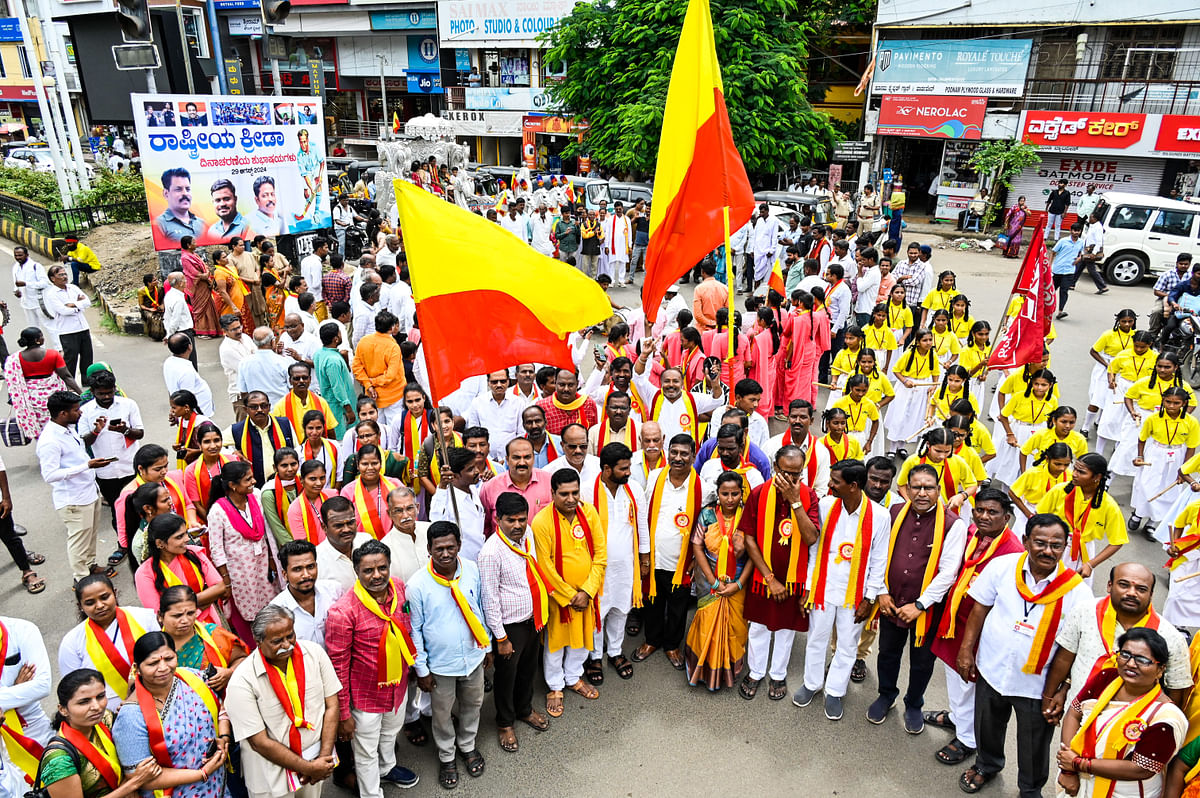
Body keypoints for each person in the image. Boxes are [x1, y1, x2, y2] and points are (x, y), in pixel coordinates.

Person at [954, 514, 1092, 796]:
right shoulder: (1003, 568)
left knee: (1034, 743)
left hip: (1037, 685)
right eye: (1040, 543)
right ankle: (987, 766)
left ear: (1065, 547)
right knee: (987, 726)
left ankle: (1030, 789)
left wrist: (1063, 689)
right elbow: (979, 608)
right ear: (1026, 541)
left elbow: (1078, 647)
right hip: (992, 669)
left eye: (1056, 545)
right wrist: (966, 649)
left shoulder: (1077, 591)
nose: (1048, 551)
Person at [923, 489, 1024, 765]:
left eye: (992, 512)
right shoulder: (971, 534)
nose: (983, 516)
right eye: (979, 510)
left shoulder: (1012, 552)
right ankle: (958, 718)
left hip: (979, 628)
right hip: (955, 617)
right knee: (954, 676)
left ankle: (967, 738)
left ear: (1007, 517)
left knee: (967, 680)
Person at [868, 463, 968, 731]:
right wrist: (882, 592)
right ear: (907, 489)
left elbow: (948, 572)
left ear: (938, 490)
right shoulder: (895, 512)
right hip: (891, 600)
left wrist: (920, 604)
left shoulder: (952, 524)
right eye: (917, 487)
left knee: (922, 660)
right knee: (887, 652)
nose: (923, 493)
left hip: (928, 609)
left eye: (929, 487)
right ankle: (886, 694)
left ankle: (914, 703)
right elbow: (877, 555)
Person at [795, 459, 890, 720]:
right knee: (816, 638)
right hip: (823, 589)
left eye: (836, 481)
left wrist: (869, 598)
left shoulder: (880, 516)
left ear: (853, 485)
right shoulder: (825, 506)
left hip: (855, 594)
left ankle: (835, 690)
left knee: (847, 645)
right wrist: (808, 588)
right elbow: (813, 551)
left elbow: (879, 561)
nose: (829, 484)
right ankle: (812, 684)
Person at [325, 539, 421, 795]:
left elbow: (406, 629)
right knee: (365, 752)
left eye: (382, 568)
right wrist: (343, 714)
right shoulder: (342, 612)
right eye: (368, 570)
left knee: (390, 735)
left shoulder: (398, 589)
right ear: (357, 572)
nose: (377, 575)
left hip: (397, 687)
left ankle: (387, 768)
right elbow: (339, 668)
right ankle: (371, 793)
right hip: (365, 698)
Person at [226, 605, 341, 798]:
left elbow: (332, 705)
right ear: (258, 641)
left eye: (290, 636)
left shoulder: (314, 653)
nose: (287, 645)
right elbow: (259, 742)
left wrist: (323, 759)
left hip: (316, 759)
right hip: (271, 776)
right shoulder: (242, 681)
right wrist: (309, 768)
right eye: (277, 641)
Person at [1056, 628, 1187, 798]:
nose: (1131, 664)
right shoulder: (1106, 678)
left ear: (1160, 669)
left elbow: (1141, 769)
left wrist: (1078, 764)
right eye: (1125, 654)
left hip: (1126, 792)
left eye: (1142, 660)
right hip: (1079, 784)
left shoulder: (1165, 716)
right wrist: (1068, 771)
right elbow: (1074, 713)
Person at [407, 522, 490, 788]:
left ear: (459, 546)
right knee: (442, 714)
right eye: (439, 548)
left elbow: (480, 609)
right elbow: (415, 631)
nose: (445, 553)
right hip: (440, 665)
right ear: (429, 548)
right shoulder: (417, 585)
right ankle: (446, 755)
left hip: (473, 657)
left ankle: (466, 745)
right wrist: (422, 670)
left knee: (473, 705)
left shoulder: (472, 570)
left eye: (450, 547)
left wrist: (486, 647)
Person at [737, 445, 820, 701]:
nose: (791, 479)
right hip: (764, 578)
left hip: (794, 580)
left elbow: (811, 538)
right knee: (759, 628)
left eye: (797, 474)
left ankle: (778, 674)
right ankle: (756, 672)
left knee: (785, 630)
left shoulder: (809, 497)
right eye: (786, 473)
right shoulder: (759, 494)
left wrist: (796, 502)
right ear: (775, 468)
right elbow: (749, 538)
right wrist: (770, 579)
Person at [111, 632, 231, 798]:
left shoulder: (192, 678)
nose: (163, 668)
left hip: (218, 787)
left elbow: (220, 708)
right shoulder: (131, 717)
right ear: (136, 669)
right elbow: (138, 777)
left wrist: (224, 737)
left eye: (169, 659)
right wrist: (201, 773)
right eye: (153, 663)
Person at [478, 492, 552, 752]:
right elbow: (489, 598)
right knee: (506, 676)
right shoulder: (491, 552)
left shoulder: (527, 534)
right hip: (510, 627)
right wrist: (501, 638)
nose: (518, 525)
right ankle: (504, 722)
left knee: (528, 669)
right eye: (511, 520)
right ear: (497, 519)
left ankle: (524, 709)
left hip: (533, 619)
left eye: (522, 519)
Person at [532, 468, 607, 717]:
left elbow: (600, 555)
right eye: (564, 494)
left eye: (575, 492)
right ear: (552, 493)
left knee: (583, 639)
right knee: (556, 643)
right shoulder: (542, 521)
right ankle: (555, 686)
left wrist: (587, 591)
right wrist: (569, 595)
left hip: (587, 594)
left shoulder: (589, 512)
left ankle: (574, 676)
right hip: (558, 598)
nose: (571, 498)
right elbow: (544, 566)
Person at [37, 668, 162, 798]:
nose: (96, 706)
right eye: (84, 702)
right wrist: (134, 783)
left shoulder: (106, 719)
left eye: (100, 696)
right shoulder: (58, 760)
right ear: (63, 709)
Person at [581, 443, 648, 684]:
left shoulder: (634, 490)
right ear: (607, 469)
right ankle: (595, 656)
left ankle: (615, 652)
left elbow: (642, 525)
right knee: (599, 610)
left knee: (621, 609)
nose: (629, 472)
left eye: (629, 467)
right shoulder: (588, 491)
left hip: (625, 566)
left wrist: (644, 558)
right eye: (624, 468)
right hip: (597, 566)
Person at [635, 434, 703, 667]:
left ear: (693, 456)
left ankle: (672, 646)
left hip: (682, 562)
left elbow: (702, 525)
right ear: (668, 451)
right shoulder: (655, 477)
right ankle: (652, 640)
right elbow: (643, 516)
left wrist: (696, 557)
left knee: (678, 607)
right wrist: (643, 555)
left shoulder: (699, 485)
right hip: (654, 558)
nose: (678, 458)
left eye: (684, 453)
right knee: (652, 602)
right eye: (674, 452)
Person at [207, 461, 282, 641]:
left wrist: (272, 557)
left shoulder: (255, 496)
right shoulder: (217, 511)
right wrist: (226, 580)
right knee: (249, 613)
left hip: (262, 563)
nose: (254, 481)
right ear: (232, 485)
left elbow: (266, 531)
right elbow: (216, 549)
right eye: (247, 479)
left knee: (271, 604)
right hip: (239, 571)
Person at [38, 391, 108, 582]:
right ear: (62, 413)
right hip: (74, 500)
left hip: (89, 492)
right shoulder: (49, 441)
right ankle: (82, 578)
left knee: (91, 534)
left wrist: (95, 432)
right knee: (79, 541)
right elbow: (50, 475)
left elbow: (76, 450)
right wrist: (87, 466)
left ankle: (91, 565)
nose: (80, 413)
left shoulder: (67, 428)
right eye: (76, 410)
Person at [134, 514, 227, 623]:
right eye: (179, 537)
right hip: (180, 631)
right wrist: (203, 601)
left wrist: (180, 607)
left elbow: (220, 587)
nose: (187, 539)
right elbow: (159, 614)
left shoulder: (194, 553)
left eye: (186, 534)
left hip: (211, 622)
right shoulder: (144, 573)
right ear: (160, 543)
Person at [156, 586, 246, 692]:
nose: (185, 620)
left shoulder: (213, 634)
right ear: (160, 616)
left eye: (190, 613)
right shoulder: (153, 647)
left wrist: (229, 672)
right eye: (177, 616)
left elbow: (242, 659)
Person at [4, 327, 77, 441]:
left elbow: (13, 382)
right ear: (37, 340)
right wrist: (81, 393)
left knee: (41, 430)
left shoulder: (15, 359)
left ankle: (44, 446)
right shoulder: (52, 355)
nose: (43, 338)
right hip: (54, 397)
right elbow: (67, 376)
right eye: (42, 336)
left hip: (32, 399)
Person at [269, 540, 344, 648]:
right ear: (285, 575)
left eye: (310, 567)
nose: (306, 575)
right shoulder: (276, 611)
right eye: (297, 569)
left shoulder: (334, 591)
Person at [226, 391, 296, 487]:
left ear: (269, 407)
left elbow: (297, 451)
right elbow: (216, 445)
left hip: (287, 483)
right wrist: (233, 455)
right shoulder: (237, 429)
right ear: (245, 409)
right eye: (254, 407)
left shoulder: (284, 424)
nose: (259, 410)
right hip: (255, 486)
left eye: (263, 406)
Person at [428, 448, 486, 561]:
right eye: (470, 469)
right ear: (454, 476)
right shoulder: (446, 499)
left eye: (475, 466)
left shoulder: (473, 489)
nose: (476, 471)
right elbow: (436, 519)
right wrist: (442, 486)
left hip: (480, 558)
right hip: (462, 561)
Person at [352, 312, 405, 426]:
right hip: (393, 395)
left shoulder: (364, 342)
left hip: (372, 394)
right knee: (393, 430)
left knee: (375, 428)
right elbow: (390, 375)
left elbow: (357, 367)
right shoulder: (393, 347)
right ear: (391, 328)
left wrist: (368, 385)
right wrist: (372, 382)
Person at [45, 264, 94, 379]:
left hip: (83, 327)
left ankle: (87, 380)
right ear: (53, 278)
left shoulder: (73, 288)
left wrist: (73, 304)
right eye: (60, 275)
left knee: (87, 355)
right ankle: (67, 382)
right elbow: (63, 311)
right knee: (71, 359)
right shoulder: (52, 294)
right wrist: (79, 306)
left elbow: (87, 302)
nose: (64, 277)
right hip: (67, 330)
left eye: (65, 274)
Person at [314, 324, 355, 439]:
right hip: (338, 406)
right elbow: (337, 387)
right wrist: (348, 410)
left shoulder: (319, 353)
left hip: (330, 402)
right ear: (335, 339)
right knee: (341, 439)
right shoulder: (333, 360)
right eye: (340, 333)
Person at [162, 333, 214, 416]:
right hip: (197, 414)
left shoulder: (168, 362)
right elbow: (187, 399)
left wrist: (173, 409)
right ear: (190, 347)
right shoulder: (186, 372)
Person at [179, 237, 221, 338]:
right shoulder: (185, 257)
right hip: (197, 285)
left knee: (209, 306)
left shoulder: (194, 254)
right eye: (194, 242)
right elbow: (192, 272)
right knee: (201, 308)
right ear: (189, 245)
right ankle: (202, 332)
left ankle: (212, 330)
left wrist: (207, 274)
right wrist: (204, 276)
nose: (196, 244)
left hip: (204, 283)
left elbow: (204, 266)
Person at [154, 168, 205, 242]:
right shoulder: (160, 224)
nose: (185, 193)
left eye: (188, 189)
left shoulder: (201, 223)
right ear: (166, 194)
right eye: (178, 189)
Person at [11, 246, 48, 336]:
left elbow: (44, 283)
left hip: (39, 302)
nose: (18, 257)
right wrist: (16, 291)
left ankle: (59, 348)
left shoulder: (35, 266)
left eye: (20, 255)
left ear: (27, 255)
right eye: (16, 255)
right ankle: (37, 349)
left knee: (49, 326)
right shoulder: (15, 267)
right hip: (26, 303)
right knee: (33, 329)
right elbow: (16, 283)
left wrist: (27, 284)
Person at [1076, 210, 1110, 295]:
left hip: (1091, 251)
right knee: (1079, 266)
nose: (1089, 219)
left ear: (1095, 219)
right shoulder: (1092, 226)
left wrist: (1093, 253)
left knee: (1091, 270)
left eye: (1091, 217)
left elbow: (1099, 242)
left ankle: (1102, 286)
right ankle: (1071, 284)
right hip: (1087, 250)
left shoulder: (1098, 228)